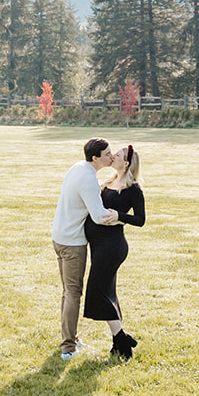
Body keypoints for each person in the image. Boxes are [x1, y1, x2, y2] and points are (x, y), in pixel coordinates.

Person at [51, 137, 119, 360]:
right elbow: (99, 216)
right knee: (73, 293)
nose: (111, 157)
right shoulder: (88, 179)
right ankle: (68, 347)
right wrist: (121, 217)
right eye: (107, 154)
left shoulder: (77, 168)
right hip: (72, 244)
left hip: (59, 237)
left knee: (67, 292)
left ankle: (71, 337)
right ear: (95, 158)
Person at [84, 144, 145, 359]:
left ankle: (122, 339)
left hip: (112, 247)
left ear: (126, 163)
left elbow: (140, 220)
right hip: (99, 245)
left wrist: (119, 216)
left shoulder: (133, 189)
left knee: (98, 291)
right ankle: (119, 342)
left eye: (117, 155)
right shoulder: (108, 182)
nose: (112, 157)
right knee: (108, 292)